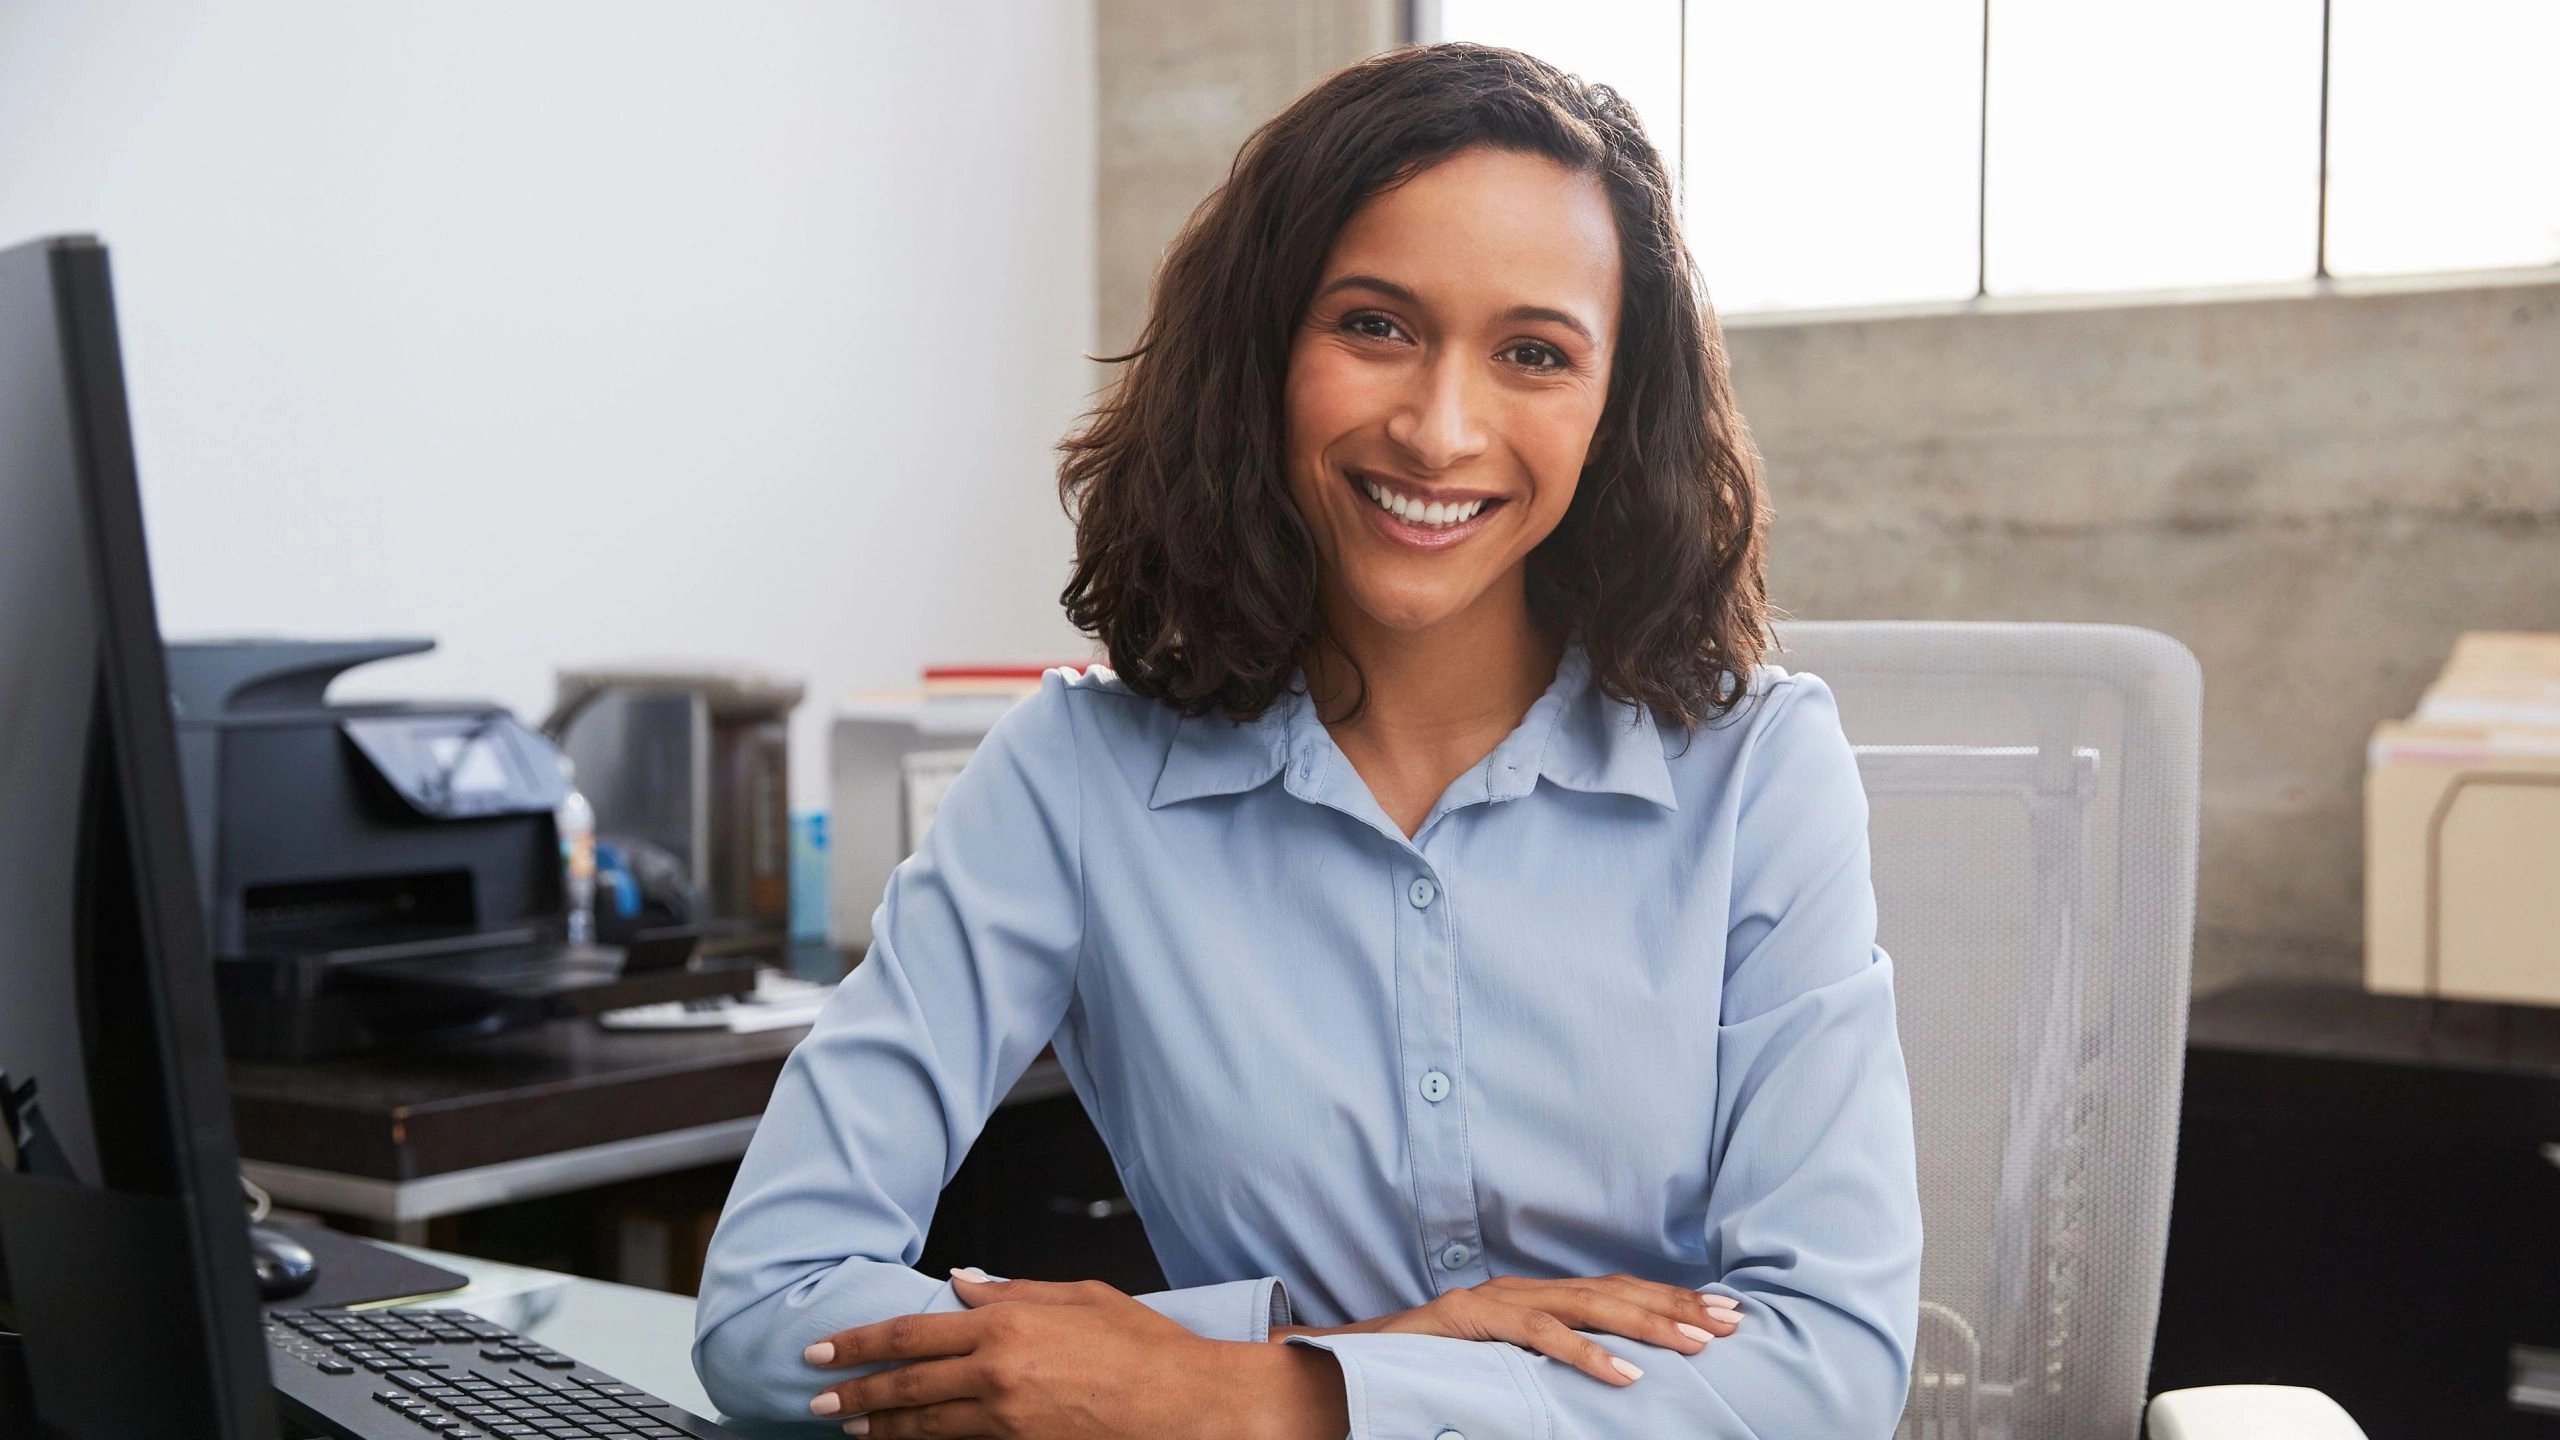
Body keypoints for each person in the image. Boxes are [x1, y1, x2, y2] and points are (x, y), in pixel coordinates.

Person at [693, 41, 1920, 1439]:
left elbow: (1829, 1375)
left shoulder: (1757, 769)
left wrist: (1260, 1390)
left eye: (1534, 353)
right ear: (1264, 351)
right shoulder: (1077, 778)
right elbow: (763, 1311)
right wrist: (1320, 1363)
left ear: (1614, 408)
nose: (1441, 427)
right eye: (1375, 326)